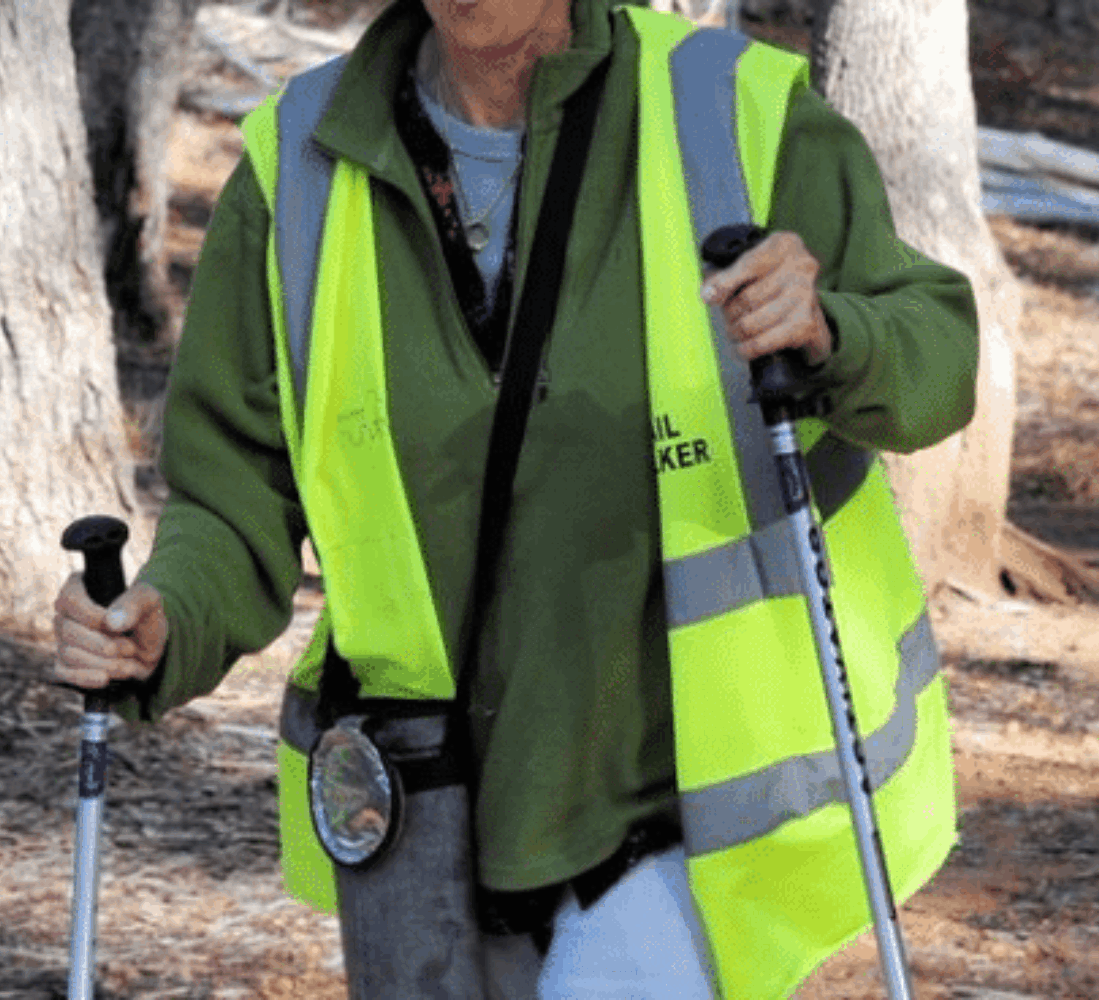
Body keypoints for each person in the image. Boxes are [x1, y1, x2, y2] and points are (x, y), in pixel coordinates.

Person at [52, 0, 977, 995]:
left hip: (666, 819)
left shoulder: (731, 111)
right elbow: (235, 497)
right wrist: (164, 618)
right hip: (426, 820)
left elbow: (938, 362)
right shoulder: (300, 164)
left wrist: (832, 332)